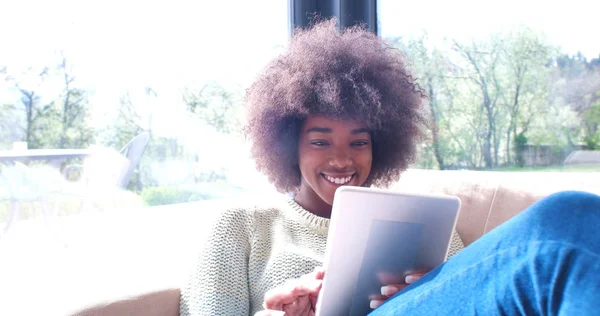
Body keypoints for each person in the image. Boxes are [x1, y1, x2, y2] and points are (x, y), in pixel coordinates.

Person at [179, 18, 464, 316]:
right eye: (320, 143)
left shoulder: (427, 227)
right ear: (289, 144)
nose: (341, 160)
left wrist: (433, 302)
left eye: (358, 143)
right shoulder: (242, 227)